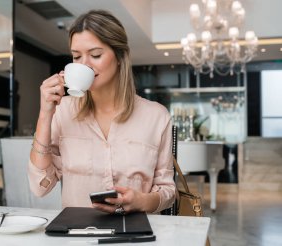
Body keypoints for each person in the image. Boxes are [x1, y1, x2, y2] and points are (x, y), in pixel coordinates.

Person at [28, 9, 176, 214]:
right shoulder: (62, 111)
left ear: (119, 57)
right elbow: (39, 187)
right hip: (77, 235)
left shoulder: (157, 117)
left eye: (95, 55)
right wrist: (45, 114)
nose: (84, 65)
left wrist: (141, 201)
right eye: (77, 56)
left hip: (135, 233)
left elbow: (168, 191)